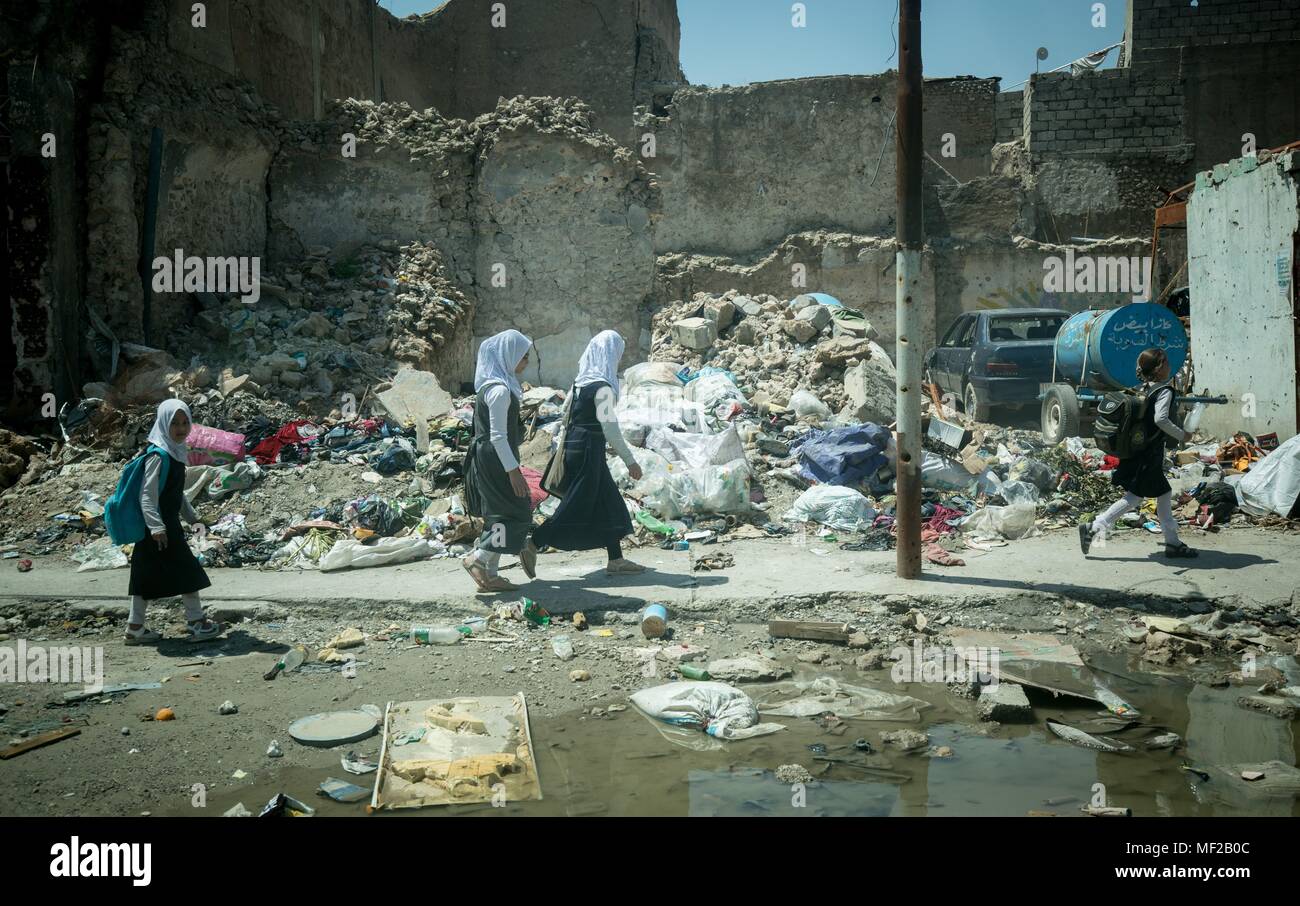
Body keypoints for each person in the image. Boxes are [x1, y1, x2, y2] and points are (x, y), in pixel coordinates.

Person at [533, 330, 646, 576]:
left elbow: (565, 415)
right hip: (588, 451)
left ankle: (616, 559)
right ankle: (533, 542)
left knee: (609, 502)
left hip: (577, 446)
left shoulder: (580, 383)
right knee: (576, 506)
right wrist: (630, 461)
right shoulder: (603, 388)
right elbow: (610, 427)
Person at [1079, 347, 1197, 558]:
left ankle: (1173, 542)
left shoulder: (1142, 387)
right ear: (1160, 368)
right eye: (1167, 362)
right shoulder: (1164, 391)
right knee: (1135, 496)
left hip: (1137, 450)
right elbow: (1160, 419)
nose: (1170, 365)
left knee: (1161, 493)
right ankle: (1096, 526)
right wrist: (1182, 435)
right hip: (1148, 454)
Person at [124, 399, 225, 644]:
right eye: (174, 423)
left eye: (184, 423)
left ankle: (135, 628)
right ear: (163, 424)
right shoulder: (158, 455)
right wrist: (156, 527)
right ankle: (197, 623)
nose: (180, 428)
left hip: (161, 526)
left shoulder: (173, 453)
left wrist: (193, 519)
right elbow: (147, 496)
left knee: (144, 577)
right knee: (187, 571)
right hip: (159, 527)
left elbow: (175, 493)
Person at [463, 329, 538, 592]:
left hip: (492, 455)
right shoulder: (499, 391)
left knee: (498, 513)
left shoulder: (491, 386)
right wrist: (513, 471)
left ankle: (490, 575)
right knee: (516, 512)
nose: (526, 361)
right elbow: (497, 436)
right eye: (523, 356)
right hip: (496, 457)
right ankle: (479, 559)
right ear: (508, 356)